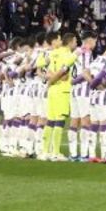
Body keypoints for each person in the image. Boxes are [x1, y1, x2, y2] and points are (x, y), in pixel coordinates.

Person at [41, 32, 77, 162]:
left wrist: (51, 81)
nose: (76, 43)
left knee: (50, 120)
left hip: (52, 90)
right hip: (62, 89)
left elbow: (48, 73)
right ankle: (55, 152)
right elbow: (65, 75)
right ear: (71, 42)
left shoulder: (53, 53)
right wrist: (54, 80)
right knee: (60, 121)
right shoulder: (68, 55)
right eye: (75, 41)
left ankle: (45, 152)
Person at [67, 33, 97, 161]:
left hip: (74, 91)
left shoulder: (75, 52)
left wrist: (73, 82)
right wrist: (93, 83)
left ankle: (73, 154)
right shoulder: (86, 52)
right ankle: (85, 154)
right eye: (95, 41)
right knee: (86, 121)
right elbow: (85, 73)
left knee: (74, 121)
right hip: (83, 90)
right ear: (90, 41)